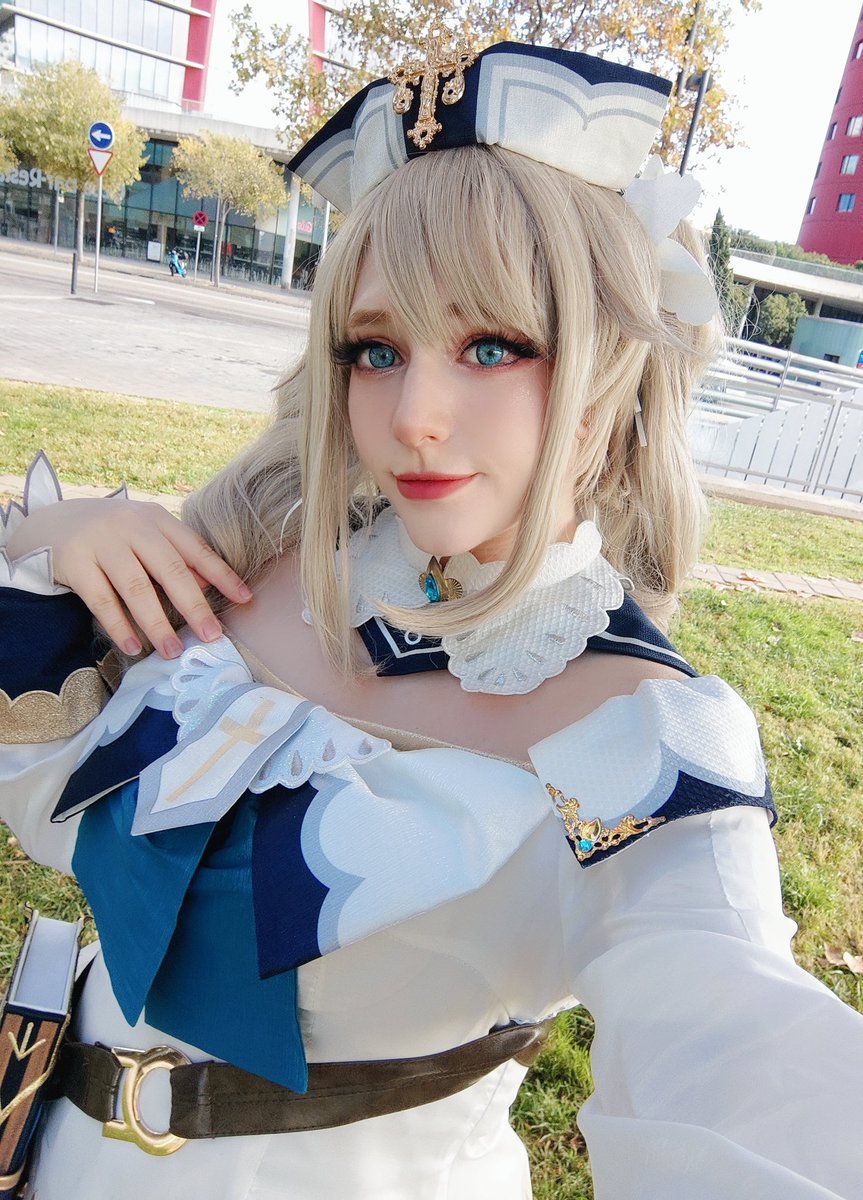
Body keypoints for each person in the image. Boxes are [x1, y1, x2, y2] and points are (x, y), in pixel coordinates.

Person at [2, 31, 863, 1200]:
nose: (413, 414)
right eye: (376, 348)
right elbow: (51, 784)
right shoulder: (258, 551)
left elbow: (732, 1035)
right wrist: (51, 542)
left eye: (491, 345)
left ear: (606, 367)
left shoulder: (638, 735)